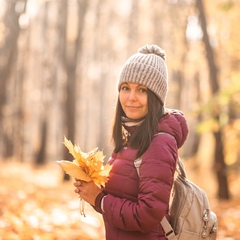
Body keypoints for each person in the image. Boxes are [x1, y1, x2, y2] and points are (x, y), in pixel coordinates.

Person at [74, 44, 188, 240]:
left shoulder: (160, 143)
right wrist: (91, 188)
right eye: (125, 88)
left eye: (142, 90)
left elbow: (147, 215)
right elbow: (121, 197)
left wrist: (99, 199)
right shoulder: (130, 139)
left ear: (155, 98)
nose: (131, 97)